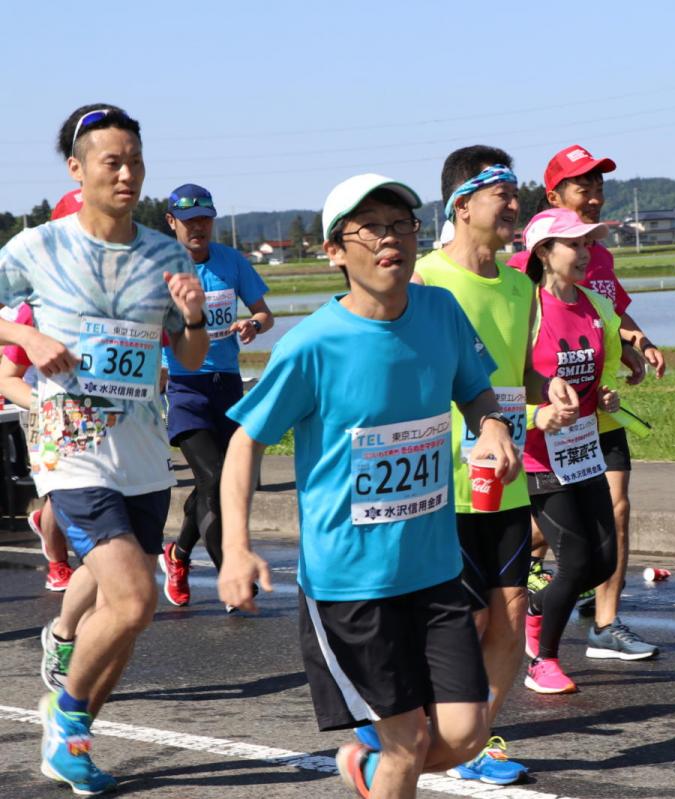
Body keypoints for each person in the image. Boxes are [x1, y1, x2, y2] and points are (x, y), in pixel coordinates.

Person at [218, 173, 519, 799]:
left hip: (434, 569)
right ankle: (384, 769)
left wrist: (490, 425)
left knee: (466, 734)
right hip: (351, 583)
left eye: (402, 223)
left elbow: (474, 386)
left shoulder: (440, 310)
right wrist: (237, 547)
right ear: (335, 250)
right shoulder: (311, 347)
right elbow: (245, 441)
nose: (391, 239)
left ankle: (367, 768)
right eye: (371, 227)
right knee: (407, 744)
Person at [0, 103, 208, 794]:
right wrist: (27, 340)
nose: (126, 173)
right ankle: (66, 716)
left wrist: (193, 315)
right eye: (111, 161)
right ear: (77, 169)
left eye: (135, 161)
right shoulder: (38, 246)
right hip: (73, 446)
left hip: (143, 452)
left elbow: (192, 354)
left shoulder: (166, 252)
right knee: (132, 595)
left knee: (130, 613)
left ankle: (73, 729)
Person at [407, 146, 579, 785]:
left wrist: (548, 391)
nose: (514, 204)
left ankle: (473, 736)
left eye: (515, 192)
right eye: (501, 194)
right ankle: (430, 727)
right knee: (464, 618)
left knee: (509, 617)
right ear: (461, 205)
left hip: (504, 479)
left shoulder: (519, 283)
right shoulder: (423, 279)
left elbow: (519, 376)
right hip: (439, 484)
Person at [509, 145, 664, 660]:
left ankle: (604, 621)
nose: (594, 196)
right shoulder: (520, 276)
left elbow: (613, 317)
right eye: (583, 187)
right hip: (543, 429)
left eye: (599, 187)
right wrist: (533, 403)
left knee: (613, 517)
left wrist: (636, 348)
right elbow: (506, 349)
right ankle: (537, 609)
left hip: (594, 419)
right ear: (554, 196)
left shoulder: (600, 259)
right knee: (557, 537)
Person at [519, 208, 621, 694]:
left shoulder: (591, 305)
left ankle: (534, 607)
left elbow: (592, 375)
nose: (585, 254)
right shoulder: (527, 308)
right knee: (577, 559)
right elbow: (501, 383)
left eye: (588, 245)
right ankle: (542, 659)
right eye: (573, 245)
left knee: (603, 561)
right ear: (543, 252)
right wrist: (538, 411)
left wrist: (601, 395)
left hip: (583, 448)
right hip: (538, 455)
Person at [158, 183, 274, 609]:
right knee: (215, 478)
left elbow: (264, 312)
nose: (198, 228)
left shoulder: (231, 261)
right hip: (186, 389)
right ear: (172, 223)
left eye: (205, 220)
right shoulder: (160, 271)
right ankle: (231, 572)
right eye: (189, 222)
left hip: (227, 385)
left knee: (219, 480)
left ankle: (179, 553)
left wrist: (253, 326)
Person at [0, 190, 84, 593]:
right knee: (62, 494)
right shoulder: (33, 305)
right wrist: (47, 406)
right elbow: (7, 376)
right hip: (46, 414)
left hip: (103, 417)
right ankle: (57, 560)